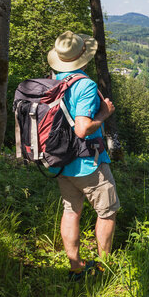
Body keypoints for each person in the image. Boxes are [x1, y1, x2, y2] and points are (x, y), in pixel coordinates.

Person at [47, 30, 120, 280]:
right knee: (107, 212)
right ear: (83, 56)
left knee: (71, 212)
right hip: (87, 163)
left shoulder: (54, 79)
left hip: (61, 161)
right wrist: (104, 114)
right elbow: (81, 128)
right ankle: (103, 266)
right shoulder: (84, 84)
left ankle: (76, 267)